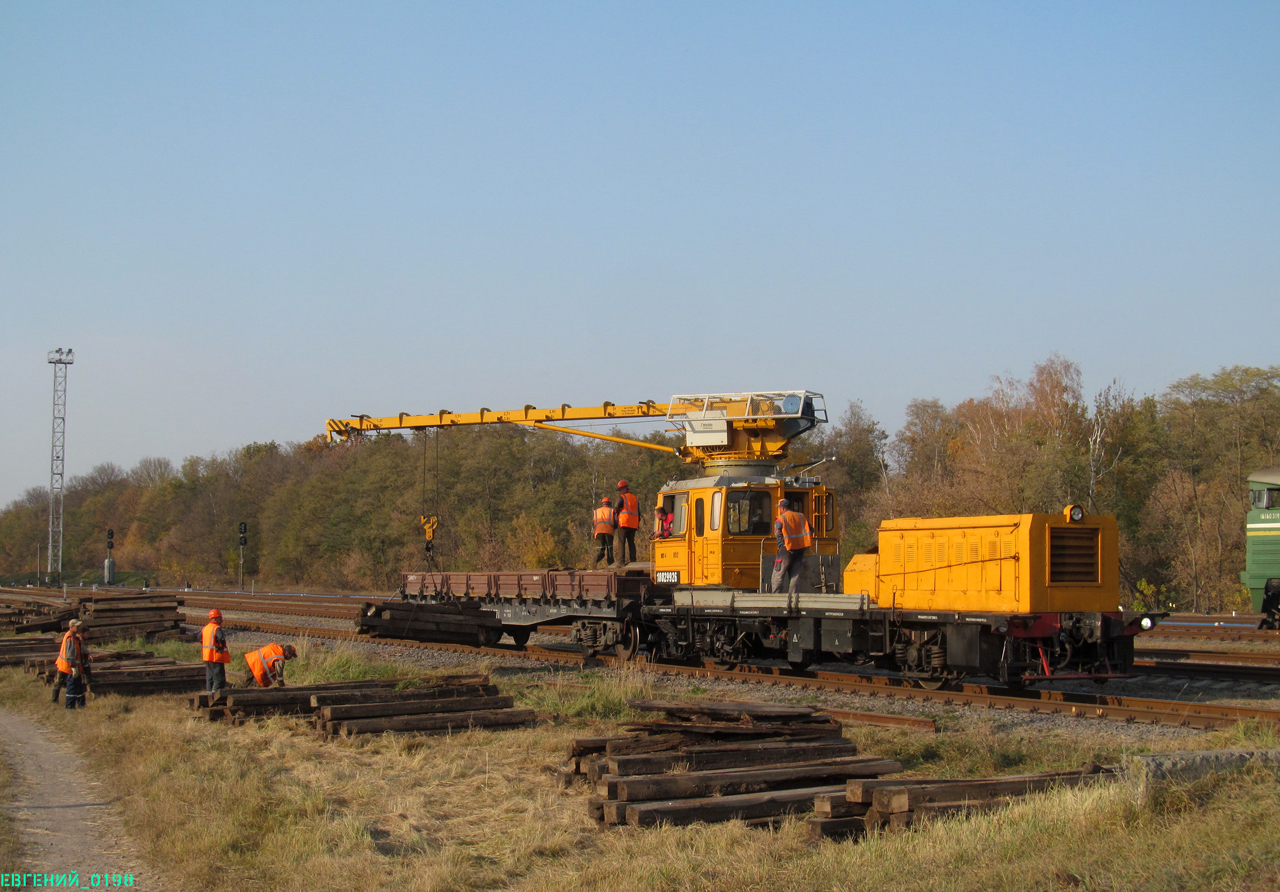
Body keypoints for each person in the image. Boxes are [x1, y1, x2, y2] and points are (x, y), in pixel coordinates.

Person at [771, 498, 813, 596]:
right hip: (800, 549)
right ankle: (793, 598)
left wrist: (782, 543)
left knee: (778, 574)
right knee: (795, 575)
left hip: (786, 549)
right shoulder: (801, 516)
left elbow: (777, 532)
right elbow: (811, 530)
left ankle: (776, 597)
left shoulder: (781, 518)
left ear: (782, 508)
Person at [52, 618, 92, 706]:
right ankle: (57, 702)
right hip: (67, 665)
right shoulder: (70, 637)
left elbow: (81, 647)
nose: (79, 627)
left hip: (66, 664)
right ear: (72, 626)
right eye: (77, 626)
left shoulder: (75, 636)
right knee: (64, 684)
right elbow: (70, 654)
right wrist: (73, 666)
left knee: (68, 684)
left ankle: (79, 703)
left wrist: (87, 653)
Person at [201, 608, 232, 697]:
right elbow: (221, 638)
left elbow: (199, 637)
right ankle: (216, 696)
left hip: (207, 656)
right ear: (216, 618)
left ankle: (208, 694)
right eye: (220, 618)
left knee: (210, 677)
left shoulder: (205, 628)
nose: (221, 620)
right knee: (219, 678)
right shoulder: (217, 628)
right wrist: (220, 646)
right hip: (215, 656)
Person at [614, 480, 640, 565]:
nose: (620, 492)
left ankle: (621, 562)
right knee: (631, 543)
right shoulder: (635, 498)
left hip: (624, 522)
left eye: (621, 490)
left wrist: (617, 513)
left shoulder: (622, 497)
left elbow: (616, 506)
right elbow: (638, 512)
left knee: (621, 542)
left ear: (625, 489)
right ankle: (633, 560)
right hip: (633, 524)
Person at [591, 496, 616, 568]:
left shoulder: (596, 511)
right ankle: (611, 566)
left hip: (598, 533)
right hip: (609, 532)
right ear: (610, 504)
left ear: (602, 504)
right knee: (609, 550)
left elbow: (593, 522)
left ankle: (594, 563)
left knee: (601, 550)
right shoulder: (612, 511)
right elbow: (616, 521)